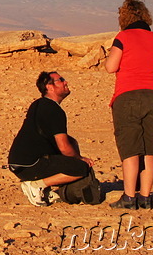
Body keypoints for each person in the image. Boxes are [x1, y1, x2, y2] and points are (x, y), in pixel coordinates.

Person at [104, 0, 153, 210]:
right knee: (149, 148)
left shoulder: (123, 37)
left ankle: (129, 197)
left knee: (130, 147)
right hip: (151, 95)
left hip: (127, 96)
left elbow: (111, 67)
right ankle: (146, 197)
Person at [8, 71, 94, 206]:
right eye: (61, 80)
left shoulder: (38, 104)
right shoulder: (54, 110)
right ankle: (37, 185)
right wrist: (80, 159)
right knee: (80, 168)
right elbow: (64, 147)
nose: (66, 82)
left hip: (17, 163)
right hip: (31, 165)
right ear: (50, 87)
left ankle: (45, 188)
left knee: (71, 144)